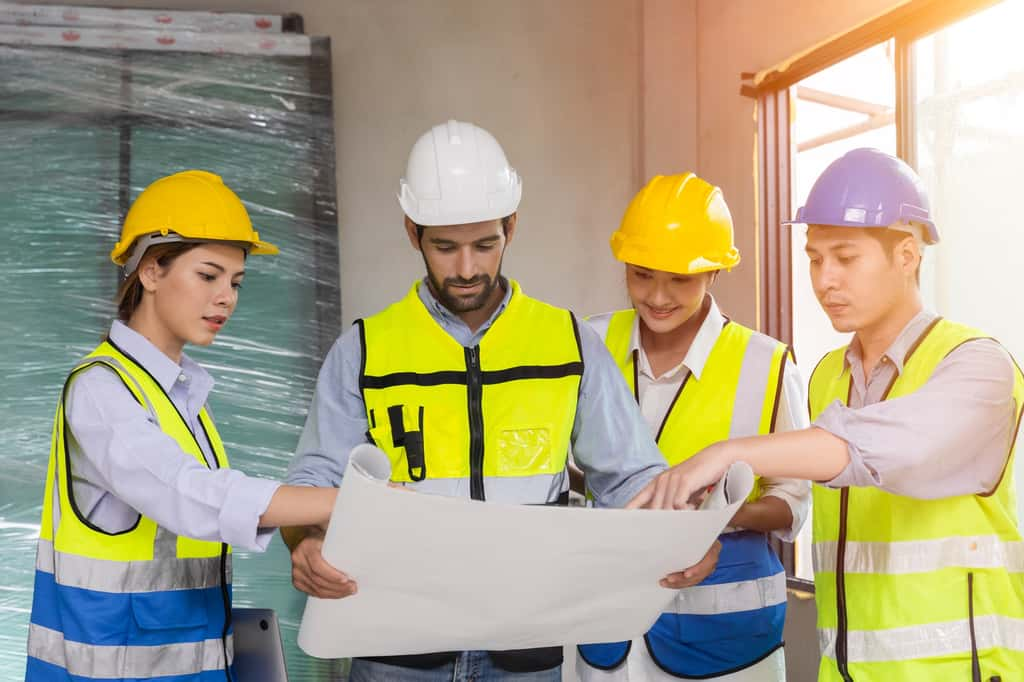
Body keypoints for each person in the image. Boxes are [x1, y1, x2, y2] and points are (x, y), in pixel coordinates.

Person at [283, 120, 719, 681]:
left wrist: (681, 540)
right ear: (412, 232)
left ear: (511, 227)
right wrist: (308, 542)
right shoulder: (364, 350)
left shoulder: (569, 343)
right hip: (396, 647)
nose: (466, 268)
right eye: (445, 246)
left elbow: (631, 476)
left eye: (485, 244)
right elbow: (312, 480)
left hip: (525, 650)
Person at [630, 149, 1024, 681]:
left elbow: (882, 448)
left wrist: (726, 452)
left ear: (907, 254)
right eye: (815, 259)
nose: (823, 280)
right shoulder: (826, 378)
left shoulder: (978, 366)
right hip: (845, 671)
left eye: (845, 257)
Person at [25, 170, 339, 682]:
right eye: (208, 275)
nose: (227, 298)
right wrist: (339, 500)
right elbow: (191, 495)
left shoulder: (182, 396)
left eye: (236, 282)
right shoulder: (101, 390)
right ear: (150, 272)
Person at [576, 173, 809, 681]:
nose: (657, 296)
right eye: (641, 275)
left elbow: (792, 504)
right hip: (607, 632)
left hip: (726, 644)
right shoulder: (591, 342)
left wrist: (713, 518)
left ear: (716, 273)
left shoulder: (765, 363)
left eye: (679, 279)